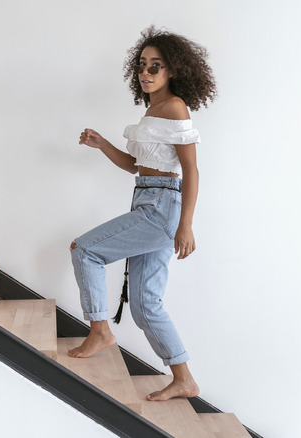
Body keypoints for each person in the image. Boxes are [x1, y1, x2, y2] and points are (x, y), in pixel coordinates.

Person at [68, 26, 217, 402]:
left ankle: (100, 330)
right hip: (147, 200)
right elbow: (137, 166)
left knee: (84, 250)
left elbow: (191, 171)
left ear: (173, 71)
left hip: (163, 208)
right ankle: (185, 379)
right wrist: (102, 144)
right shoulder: (152, 110)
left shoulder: (175, 108)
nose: (146, 72)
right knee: (145, 305)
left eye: (156, 66)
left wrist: (186, 225)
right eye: (142, 65)